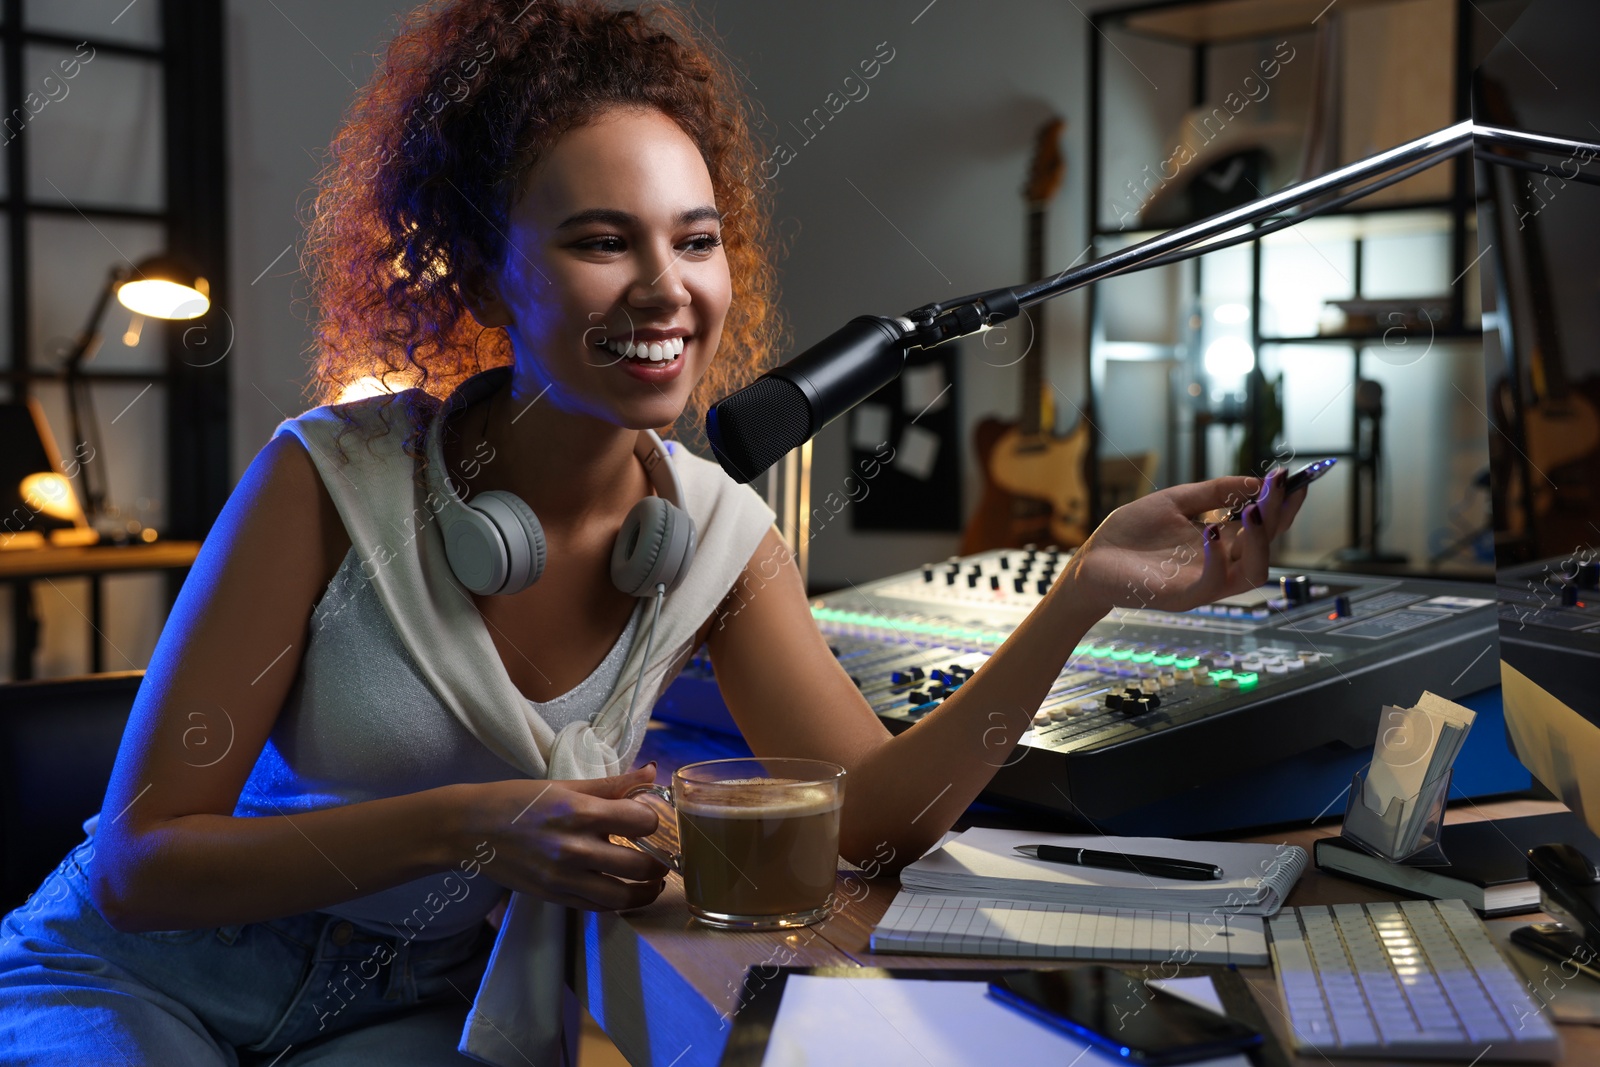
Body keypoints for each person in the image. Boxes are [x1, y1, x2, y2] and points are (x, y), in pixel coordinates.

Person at [0, 1, 1305, 1063]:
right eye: (600, 241)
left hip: (411, 1014)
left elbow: (878, 828)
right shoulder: (325, 483)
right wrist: (477, 822)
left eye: (696, 240)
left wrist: (1081, 594)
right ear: (477, 268)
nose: (667, 289)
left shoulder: (724, 538)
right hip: (146, 981)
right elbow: (139, 868)